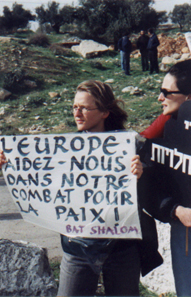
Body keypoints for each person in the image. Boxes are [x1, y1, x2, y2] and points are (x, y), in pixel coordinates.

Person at [0, 80, 163, 297]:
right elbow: (41, 178)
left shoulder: (132, 146)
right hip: (77, 246)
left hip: (122, 247)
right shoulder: (63, 150)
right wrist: (11, 162)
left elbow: (152, 196)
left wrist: (141, 174)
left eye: (84, 107)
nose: (77, 113)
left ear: (105, 112)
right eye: (75, 106)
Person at [140, 60, 191, 297]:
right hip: (185, 229)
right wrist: (175, 210)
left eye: (166, 93)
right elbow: (140, 146)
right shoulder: (165, 125)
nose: (160, 98)